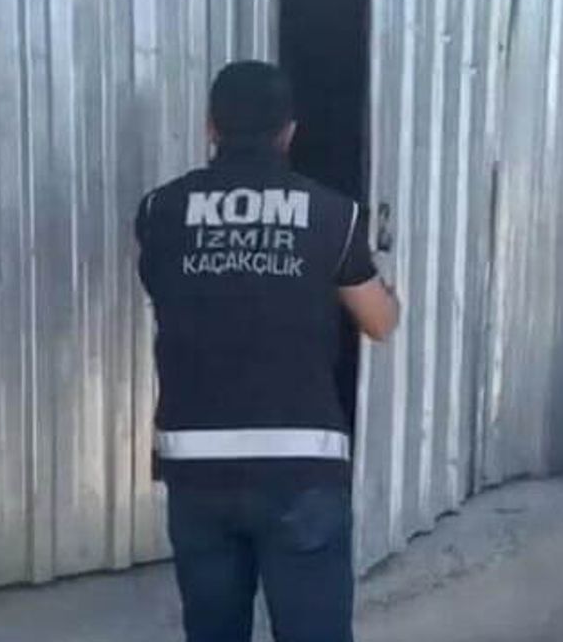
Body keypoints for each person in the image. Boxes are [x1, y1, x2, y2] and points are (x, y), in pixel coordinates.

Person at [135, 60, 399, 642]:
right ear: (289, 132)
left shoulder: (160, 212)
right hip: (300, 466)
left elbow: (166, 291)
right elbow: (379, 322)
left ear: (210, 126)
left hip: (197, 467)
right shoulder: (332, 215)